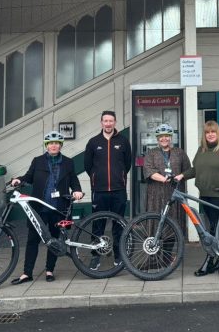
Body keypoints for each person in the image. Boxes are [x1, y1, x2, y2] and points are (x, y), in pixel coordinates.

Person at [9, 130, 84, 284]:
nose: (54, 146)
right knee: (32, 240)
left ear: (60, 145)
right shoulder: (37, 161)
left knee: (54, 240)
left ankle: (50, 270)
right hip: (39, 207)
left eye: (57, 143)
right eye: (51, 143)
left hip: (58, 208)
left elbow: (74, 181)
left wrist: (77, 190)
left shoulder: (68, 162)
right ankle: (27, 273)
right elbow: (28, 177)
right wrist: (18, 180)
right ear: (47, 145)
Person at [175, 120, 219, 276]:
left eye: (213, 132)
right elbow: (195, 169)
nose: (210, 134)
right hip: (205, 193)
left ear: (218, 133)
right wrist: (181, 176)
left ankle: (211, 259)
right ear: (204, 135)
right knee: (214, 226)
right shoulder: (202, 150)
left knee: (213, 228)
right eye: (207, 132)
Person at [83, 110, 132, 269]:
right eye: (105, 121)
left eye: (111, 121)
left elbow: (128, 163)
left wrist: (120, 176)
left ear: (115, 122)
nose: (108, 123)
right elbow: (87, 166)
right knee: (98, 225)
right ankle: (96, 257)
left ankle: (118, 255)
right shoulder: (93, 142)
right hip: (99, 191)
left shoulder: (123, 141)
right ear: (101, 123)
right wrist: (98, 178)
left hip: (119, 190)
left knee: (118, 225)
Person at [143, 123, 192, 237]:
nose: (164, 138)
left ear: (171, 137)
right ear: (157, 138)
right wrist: (163, 179)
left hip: (173, 194)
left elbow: (188, 171)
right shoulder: (151, 153)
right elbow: (148, 170)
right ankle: (154, 252)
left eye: (167, 136)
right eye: (161, 136)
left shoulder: (180, 153)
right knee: (155, 225)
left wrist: (181, 175)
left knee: (173, 225)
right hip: (155, 195)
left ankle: (169, 253)